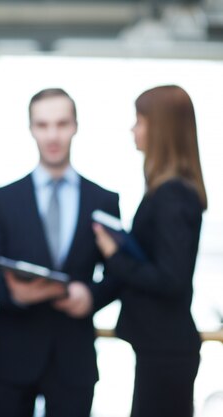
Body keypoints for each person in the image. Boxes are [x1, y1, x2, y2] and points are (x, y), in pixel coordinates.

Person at [0, 88, 120, 417]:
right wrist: (16, 296)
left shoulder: (103, 200)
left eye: (61, 124)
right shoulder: (3, 199)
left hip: (74, 356)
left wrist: (91, 297)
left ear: (75, 126)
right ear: (31, 129)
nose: (53, 135)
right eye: (42, 125)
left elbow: (117, 274)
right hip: (12, 355)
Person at [79, 85, 207, 417]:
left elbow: (170, 279)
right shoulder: (167, 190)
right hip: (160, 347)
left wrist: (113, 254)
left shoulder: (173, 194)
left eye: (140, 121)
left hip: (167, 348)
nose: (133, 129)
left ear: (160, 128)